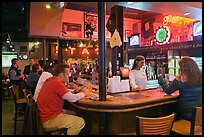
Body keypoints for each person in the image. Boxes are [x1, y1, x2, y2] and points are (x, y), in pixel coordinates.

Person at [37, 63, 91, 135]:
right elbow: (72, 98)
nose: (69, 76)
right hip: (49, 119)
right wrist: (85, 93)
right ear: (61, 74)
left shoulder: (51, 80)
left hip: (46, 115)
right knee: (79, 122)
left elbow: (65, 93)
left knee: (75, 113)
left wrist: (76, 91)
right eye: (68, 73)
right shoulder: (56, 83)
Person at [158, 56, 202, 121]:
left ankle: (170, 129)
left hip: (186, 112)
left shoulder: (180, 78)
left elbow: (168, 91)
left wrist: (160, 79)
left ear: (183, 68)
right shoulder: (200, 76)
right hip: (199, 112)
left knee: (170, 112)